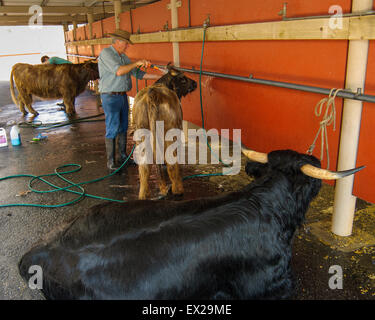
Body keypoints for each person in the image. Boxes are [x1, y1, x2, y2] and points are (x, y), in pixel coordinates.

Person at [98, 29, 166, 171]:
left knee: (123, 126)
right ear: (117, 42)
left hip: (122, 95)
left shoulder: (124, 57)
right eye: (126, 43)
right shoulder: (106, 54)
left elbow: (139, 74)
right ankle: (110, 162)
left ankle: (122, 156)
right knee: (112, 127)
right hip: (110, 96)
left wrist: (160, 77)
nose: (127, 46)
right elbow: (119, 71)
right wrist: (136, 63)